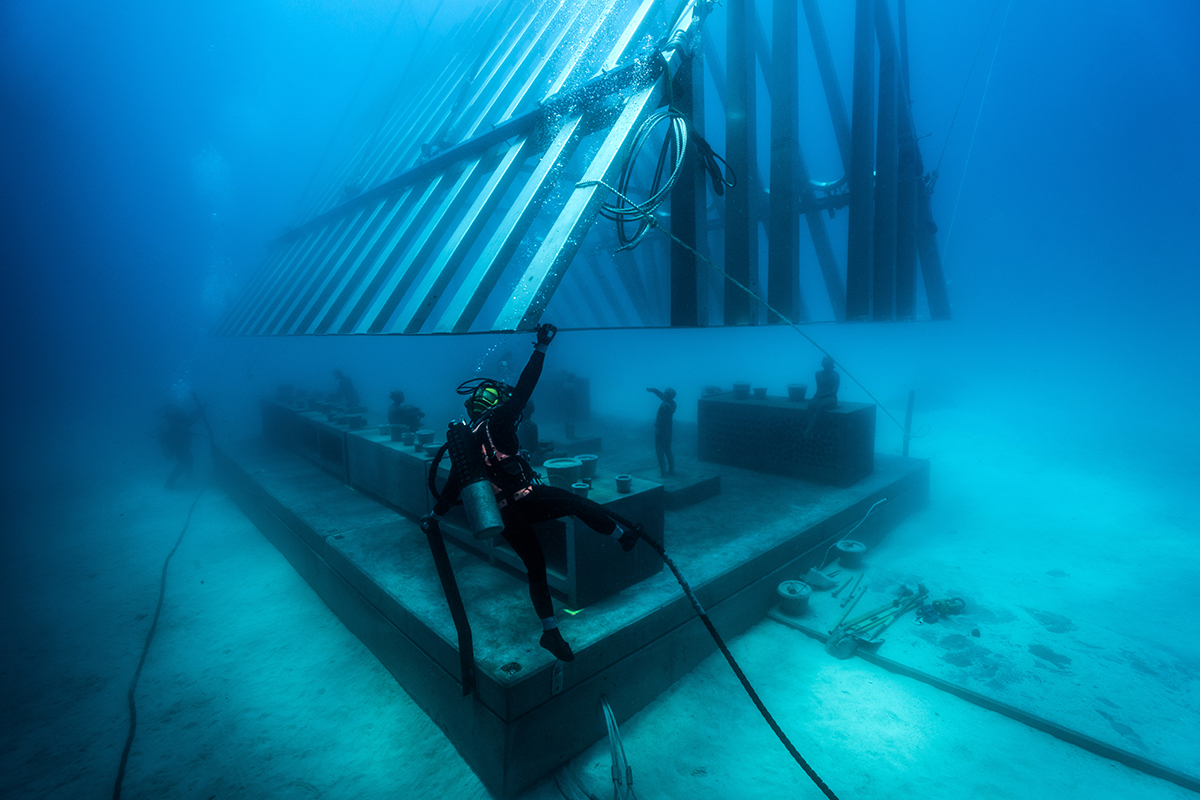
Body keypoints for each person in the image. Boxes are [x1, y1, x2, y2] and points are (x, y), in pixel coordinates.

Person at [422, 323, 642, 663]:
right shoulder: (499, 423)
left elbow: (453, 486)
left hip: (501, 515)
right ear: (497, 404)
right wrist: (541, 346)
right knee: (575, 502)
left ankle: (550, 632)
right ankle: (621, 537)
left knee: (536, 567)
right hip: (524, 500)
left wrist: (434, 516)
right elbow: (526, 386)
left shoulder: (467, 443)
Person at [156, 402, 205, 489]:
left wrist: (200, 411)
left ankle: (188, 478)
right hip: (179, 445)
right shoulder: (179, 420)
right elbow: (190, 421)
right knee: (183, 463)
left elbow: (189, 421)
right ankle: (170, 483)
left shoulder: (175, 421)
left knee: (188, 460)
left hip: (178, 444)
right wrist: (200, 411)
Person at [803, 356, 840, 440]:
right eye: (823, 359)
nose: (824, 361)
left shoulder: (835, 375)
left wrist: (822, 396)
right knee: (811, 405)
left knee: (821, 406)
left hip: (831, 398)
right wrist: (817, 396)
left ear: (831, 364)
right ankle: (811, 427)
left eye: (827, 360)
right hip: (819, 396)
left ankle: (809, 430)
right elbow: (819, 388)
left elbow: (834, 391)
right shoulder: (817, 374)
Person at [647, 387, 677, 477]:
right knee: (668, 450)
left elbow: (661, 421)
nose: (663, 394)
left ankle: (663, 473)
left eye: (665, 393)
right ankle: (671, 470)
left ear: (668, 395)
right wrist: (654, 390)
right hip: (668, 431)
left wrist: (658, 430)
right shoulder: (672, 404)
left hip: (661, 432)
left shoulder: (664, 407)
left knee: (659, 452)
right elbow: (661, 396)